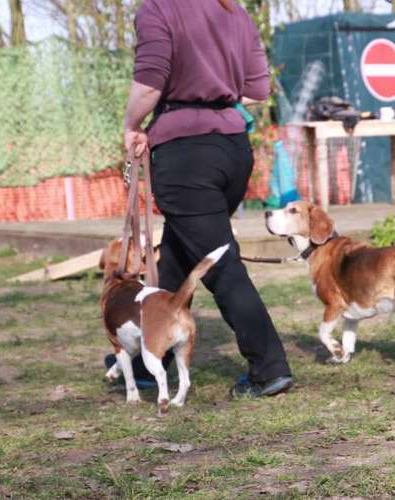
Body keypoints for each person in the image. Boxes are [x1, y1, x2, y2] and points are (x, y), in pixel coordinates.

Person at [107, 0, 293, 399]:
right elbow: (258, 89)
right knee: (177, 256)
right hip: (233, 150)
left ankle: (269, 368)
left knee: (219, 264)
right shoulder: (234, 10)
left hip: (186, 154)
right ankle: (143, 361)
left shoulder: (158, 8)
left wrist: (131, 125)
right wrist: (216, 100)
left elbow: (151, 83)